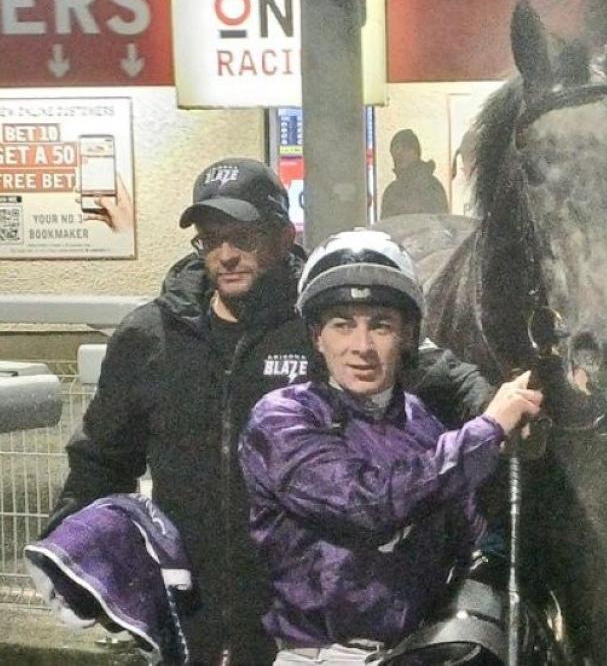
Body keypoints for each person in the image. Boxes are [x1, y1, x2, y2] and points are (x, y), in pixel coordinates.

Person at [46, 158, 494, 664]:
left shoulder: (328, 322)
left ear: (284, 236)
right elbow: (101, 458)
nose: (226, 255)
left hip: (300, 632)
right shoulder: (149, 337)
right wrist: (73, 553)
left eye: (244, 237)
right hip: (190, 620)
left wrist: (496, 409)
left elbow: (443, 375)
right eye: (211, 239)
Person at [239, 230, 541, 664]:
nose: (362, 347)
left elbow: (469, 536)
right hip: (318, 657)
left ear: (408, 335)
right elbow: (367, 505)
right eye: (342, 324)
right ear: (317, 336)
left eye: (381, 325)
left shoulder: (421, 421)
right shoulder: (283, 417)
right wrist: (488, 429)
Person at [380, 129, 449, 217]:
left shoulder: (432, 187)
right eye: (395, 150)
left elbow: (440, 222)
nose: (399, 154)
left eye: (405, 148)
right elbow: (387, 223)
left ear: (416, 152)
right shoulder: (391, 191)